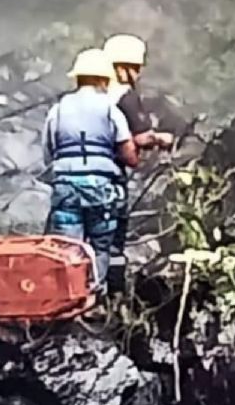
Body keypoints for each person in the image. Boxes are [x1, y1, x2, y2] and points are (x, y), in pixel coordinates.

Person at [43, 48, 139, 293]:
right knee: (100, 247)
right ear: (103, 79)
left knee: (67, 247)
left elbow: (48, 153)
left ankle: (67, 297)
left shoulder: (58, 110)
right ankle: (93, 296)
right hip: (101, 190)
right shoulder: (110, 110)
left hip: (66, 190)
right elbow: (129, 155)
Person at [101, 33, 175, 293]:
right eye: (136, 67)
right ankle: (111, 293)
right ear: (124, 67)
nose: (139, 72)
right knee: (110, 239)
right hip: (109, 177)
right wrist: (161, 139)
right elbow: (139, 137)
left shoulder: (90, 94)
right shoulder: (124, 96)